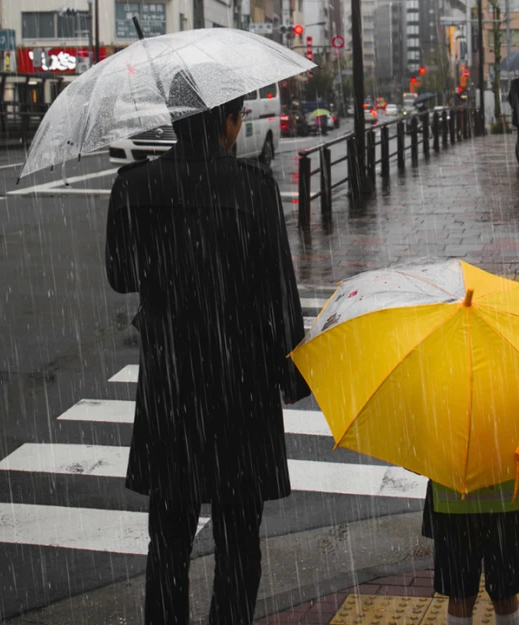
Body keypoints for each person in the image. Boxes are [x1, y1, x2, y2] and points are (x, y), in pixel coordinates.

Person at [105, 92, 310, 625]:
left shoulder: (135, 185)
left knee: (168, 538)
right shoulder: (253, 186)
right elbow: (277, 290)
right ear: (229, 120)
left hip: (171, 384)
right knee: (239, 537)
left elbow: (121, 276)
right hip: (240, 383)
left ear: (174, 120)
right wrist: (290, 371)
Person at [422, 472, 519, 625]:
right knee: (505, 591)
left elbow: (421, 462)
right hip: (506, 501)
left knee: (460, 593)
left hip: (454, 503)